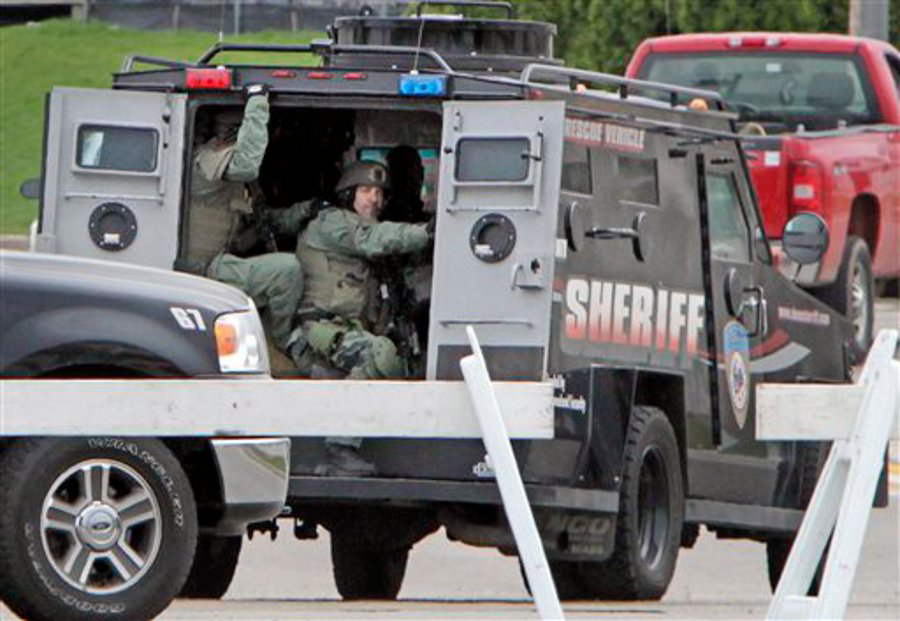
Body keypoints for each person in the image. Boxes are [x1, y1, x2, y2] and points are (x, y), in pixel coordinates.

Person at [293, 160, 433, 476]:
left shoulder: (366, 238)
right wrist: (427, 232)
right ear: (348, 193)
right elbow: (375, 238)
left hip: (346, 333)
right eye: (366, 190)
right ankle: (338, 449)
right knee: (379, 354)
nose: (375, 199)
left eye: (380, 193)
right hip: (316, 332)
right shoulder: (332, 224)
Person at [181, 84, 307, 366]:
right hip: (203, 270)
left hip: (218, 261)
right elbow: (248, 164)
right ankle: (277, 345)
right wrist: (258, 104)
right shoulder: (206, 162)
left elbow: (265, 221)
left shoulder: (234, 182)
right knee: (287, 271)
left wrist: (307, 211)